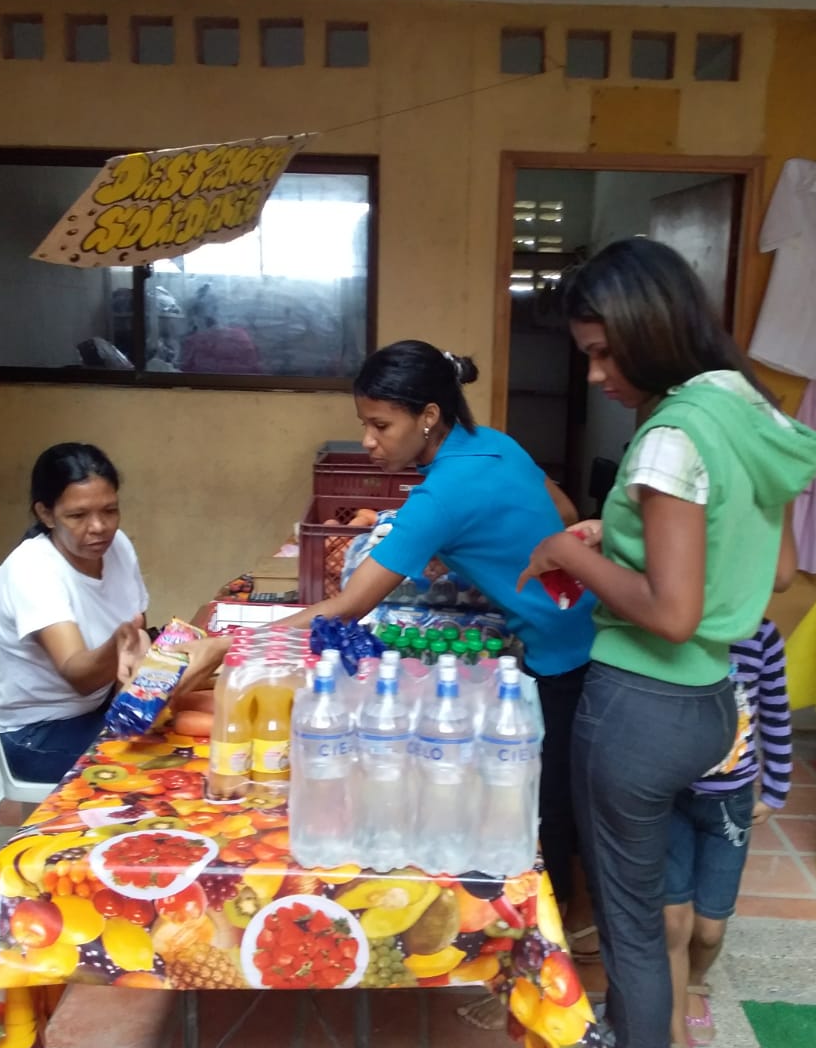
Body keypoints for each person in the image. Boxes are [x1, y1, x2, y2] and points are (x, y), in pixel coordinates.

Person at [517, 239, 816, 1048]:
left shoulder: (671, 436)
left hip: (638, 708)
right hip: (710, 704)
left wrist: (568, 554)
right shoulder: (743, 410)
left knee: (632, 925)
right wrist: (617, 542)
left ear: (652, 330)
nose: (597, 375)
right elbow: (773, 570)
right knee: (646, 909)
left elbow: (671, 611)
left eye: (605, 352)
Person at [183, 339, 598, 979]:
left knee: (549, 807)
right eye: (364, 425)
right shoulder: (495, 444)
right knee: (562, 790)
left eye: (380, 425)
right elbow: (564, 512)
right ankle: (569, 928)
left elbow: (347, 606)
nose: (369, 442)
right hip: (584, 622)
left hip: (559, 653)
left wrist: (228, 646)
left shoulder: (442, 497)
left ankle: (555, 953)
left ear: (428, 416)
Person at [665, 616, 791, 1048]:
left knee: (709, 929)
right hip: (668, 795)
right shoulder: (672, 623)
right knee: (672, 924)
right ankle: (675, 1043)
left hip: (730, 800)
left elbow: (775, 711)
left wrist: (776, 788)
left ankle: (696, 982)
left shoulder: (762, 635)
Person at [0, 443, 149, 785]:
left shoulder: (118, 546)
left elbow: (134, 645)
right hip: (38, 734)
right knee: (161, 760)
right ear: (46, 514)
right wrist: (118, 645)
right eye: (78, 516)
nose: (99, 527)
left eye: (110, 510)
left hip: (98, 708)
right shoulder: (32, 568)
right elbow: (80, 676)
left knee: (183, 730)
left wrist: (126, 699)